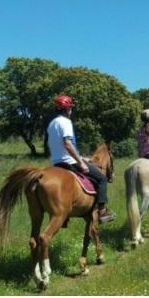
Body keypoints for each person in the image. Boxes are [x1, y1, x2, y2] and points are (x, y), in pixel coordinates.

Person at [46, 95, 116, 223]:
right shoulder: (66, 122)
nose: (71, 111)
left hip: (56, 163)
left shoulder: (52, 124)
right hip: (70, 162)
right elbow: (67, 144)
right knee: (102, 179)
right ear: (67, 109)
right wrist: (80, 162)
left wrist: (83, 158)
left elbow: (59, 146)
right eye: (71, 108)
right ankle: (102, 211)